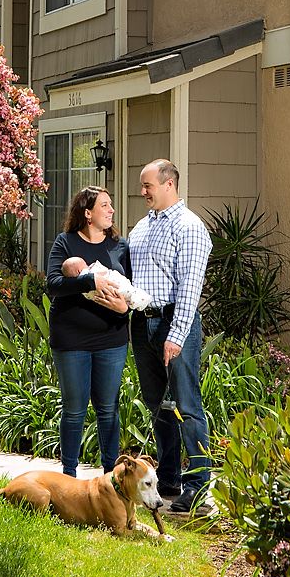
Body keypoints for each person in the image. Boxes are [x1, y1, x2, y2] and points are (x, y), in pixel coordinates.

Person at [127, 158, 217, 517]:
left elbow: (190, 289)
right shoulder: (141, 227)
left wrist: (176, 335)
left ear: (169, 184)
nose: (143, 191)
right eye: (142, 185)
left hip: (173, 322)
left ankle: (197, 486)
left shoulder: (189, 227)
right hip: (141, 324)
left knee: (187, 406)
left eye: (148, 185)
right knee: (157, 406)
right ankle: (167, 478)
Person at [45, 186, 130, 477]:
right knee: (74, 409)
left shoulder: (120, 246)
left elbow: (131, 290)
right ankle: (68, 477)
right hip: (72, 339)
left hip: (112, 337)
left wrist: (124, 309)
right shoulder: (65, 243)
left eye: (111, 205)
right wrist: (90, 280)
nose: (111, 211)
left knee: (108, 408)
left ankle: (111, 476)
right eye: (104, 206)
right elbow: (53, 285)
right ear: (87, 213)